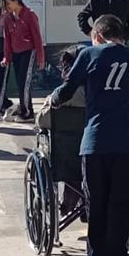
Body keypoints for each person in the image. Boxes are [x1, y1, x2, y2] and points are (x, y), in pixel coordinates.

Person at [49, 14, 129, 256]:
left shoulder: (88, 55)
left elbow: (67, 90)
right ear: (122, 36)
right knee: (121, 206)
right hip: (126, 145)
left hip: (94, 144)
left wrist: (53, 100)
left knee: (97, 203)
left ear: (98, 36)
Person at [38, 45, 89, 219]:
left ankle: (69, 204)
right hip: (103, 157)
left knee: (65, 155)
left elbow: (42, 120)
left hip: (67, 160)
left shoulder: (60, 95)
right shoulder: (100, 95)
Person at [1, 0, 46, 123]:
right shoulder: (8, 18)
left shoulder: (29, 15)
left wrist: (40, 57)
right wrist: (7, 57)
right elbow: (7, 39)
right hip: (16, 53)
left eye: (8, 3)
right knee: (20, 83)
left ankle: (27, 112)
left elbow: (37, 37)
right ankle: (25, 109)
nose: (7, 7)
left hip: (28, 51)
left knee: (25, 83)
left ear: (16, 0)